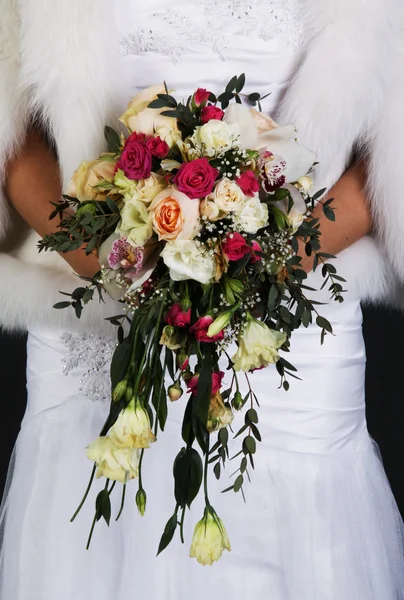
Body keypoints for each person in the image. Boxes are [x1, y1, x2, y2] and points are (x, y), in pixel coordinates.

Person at [0, 0, 403, 598]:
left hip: (287, 309)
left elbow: (386, 150)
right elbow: (14, 131)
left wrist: (278, 260)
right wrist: (100, 256)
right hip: (94, 300)